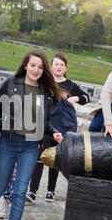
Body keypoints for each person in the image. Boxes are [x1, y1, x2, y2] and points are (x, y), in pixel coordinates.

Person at [0, 49, 63, 220]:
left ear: (44, 71)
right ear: (26, 65)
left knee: (20, 190)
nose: (36, 70)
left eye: (40, 67)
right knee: (0, 186)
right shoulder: (11, 84)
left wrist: (53, 132)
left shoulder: (45, 93)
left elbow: (44, 122)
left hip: (30, 147)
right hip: (9, 142)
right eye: (32, 65)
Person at [26, 52, 90, 203]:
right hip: (44, 124)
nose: (59, 67)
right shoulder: (45, 81)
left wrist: (75, 98)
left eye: (62, 64)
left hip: (63, 126)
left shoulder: (71, 85)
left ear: (65, 67)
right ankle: (32, 191)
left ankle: (51, 191)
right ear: (51, 66)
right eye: (56, 64)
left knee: (56, 159)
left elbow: (87, 98)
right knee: (39, 157)